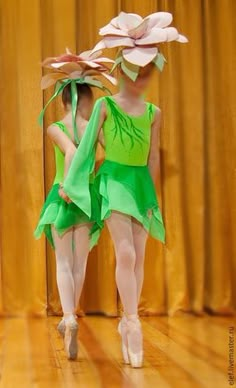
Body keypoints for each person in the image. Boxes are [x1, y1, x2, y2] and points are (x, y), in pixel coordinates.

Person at [61, 12, 188, 367]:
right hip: (113, 180)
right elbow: (86, 151)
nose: (141, 79)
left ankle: (127, 319)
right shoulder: (105, 106)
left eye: (147, 72)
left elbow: (152, 159)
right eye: (135, 71)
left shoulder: (153, 112)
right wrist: (72, 185)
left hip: (140, 185)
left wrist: (153, 195)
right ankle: (131, 322)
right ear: (120, 71)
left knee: (140, 257)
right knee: (126, 254)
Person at [34, 49, 116, 360]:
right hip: (87, 199)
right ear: (87, 100)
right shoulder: (95, 128)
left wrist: (68, 185)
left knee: (63, 263)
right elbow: (110, 155)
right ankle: (70, 315)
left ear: (64, 99)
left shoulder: (55, 127)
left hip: (63, 193)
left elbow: (69, 153)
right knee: (79, 263)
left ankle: (68, 317)